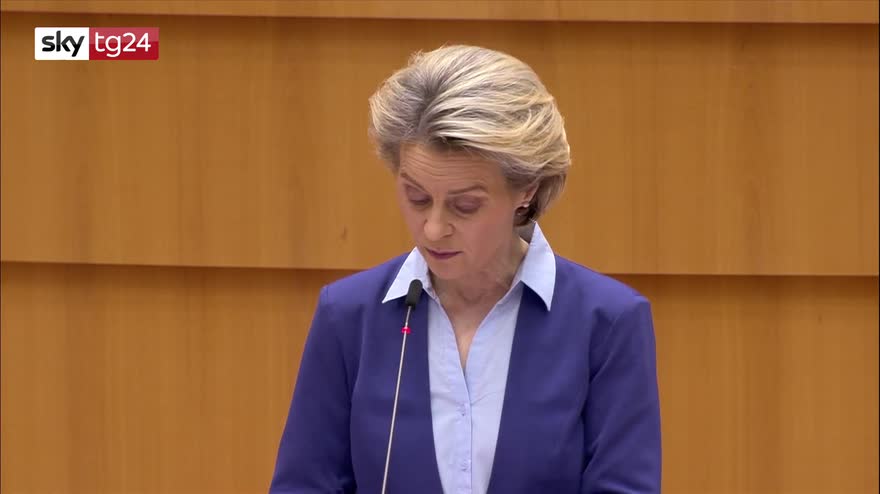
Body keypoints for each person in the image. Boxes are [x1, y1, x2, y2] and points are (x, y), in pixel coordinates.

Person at [269, 45, 661, 494]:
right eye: (416, 197)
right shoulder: (348, 315)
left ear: (526, 191)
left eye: (466, 205)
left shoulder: (608, 322)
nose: (434, 228)